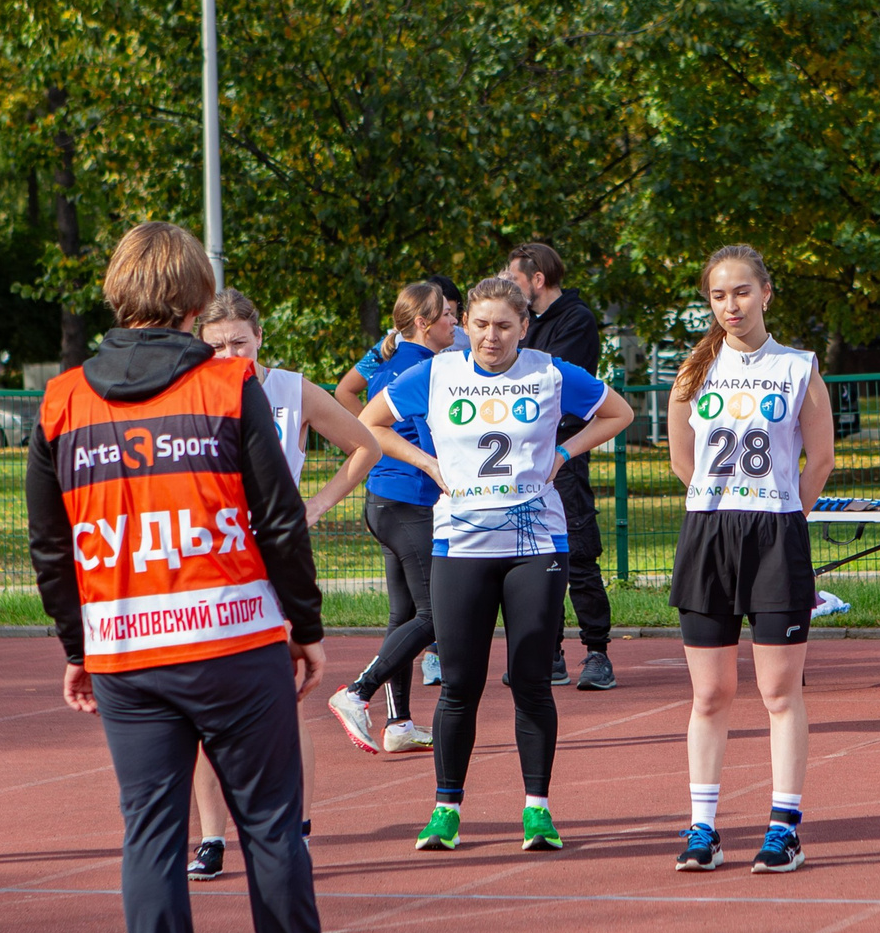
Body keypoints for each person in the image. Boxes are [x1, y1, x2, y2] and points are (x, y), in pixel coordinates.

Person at [27, 221, 360, 933]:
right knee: (271, 823)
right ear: (193, 298)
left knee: (150, 834)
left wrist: (77, 643)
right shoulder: (227, 382)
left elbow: (49, 542)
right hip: (231, 635)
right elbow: (280, 515)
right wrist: (307, 625)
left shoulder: (64, 398)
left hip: (125, 649)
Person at [359, 277, 636, 852]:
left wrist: (564, 451)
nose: (491, 337)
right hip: (460, 543)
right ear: (467, 325)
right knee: (459, 683)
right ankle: (445, 810)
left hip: (535, 543)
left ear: (523, 327)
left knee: (532, 680)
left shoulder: (550, 373)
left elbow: (619, 413)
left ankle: (537, 810)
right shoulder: (437, 373)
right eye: (480, 325)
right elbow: (370, 422)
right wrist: (428, 464)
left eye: (504, 326)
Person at [183, 288, 381, 881]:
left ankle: (296, 827)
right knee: (201, 709)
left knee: (282, 700)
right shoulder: (188, 392)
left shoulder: (291, 391)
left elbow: (364, 446)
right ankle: (213, 838)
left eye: (238, 343)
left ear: (260, 338)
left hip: (271, 561)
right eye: (215, 346)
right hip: (207, 562)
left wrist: (315, 504)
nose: (227, 355)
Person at [664, 245, 836, 873]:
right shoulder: (693, 370)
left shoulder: (798, 367)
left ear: (766, 292)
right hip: (708, 533)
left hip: (775, 535)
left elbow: (819, 460)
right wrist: (715, 501)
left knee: (777, 689)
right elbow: (682, 460)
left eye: (741, 291)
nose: (730, 305)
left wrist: (785, 511)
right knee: (709, 693)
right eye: (717, 295)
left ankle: (784, 826)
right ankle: (702, 827)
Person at [325, 281, 461, 757]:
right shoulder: (430, 369)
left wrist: (363, 434)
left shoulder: (383, 354)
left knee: (405, 615)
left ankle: (399, 722)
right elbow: (438, 437)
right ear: (423, 322)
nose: (456, 323)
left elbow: (346, 390)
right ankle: (358, 692)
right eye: (448, 315)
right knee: (438, 615)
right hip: (409, 500)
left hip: (383, 499)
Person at [499, 241, 616, 690]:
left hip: (562, 450)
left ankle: (597, 651)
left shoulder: (575, 320)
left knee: (578, 548)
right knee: (529, 550)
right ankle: (547, 653)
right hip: (521, 454)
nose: (509, 286)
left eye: (513, 279)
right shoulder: (526, 323)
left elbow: (543, 380)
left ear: (537, 280)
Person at [334, 274, 467, 415]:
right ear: (422, 323)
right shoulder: (395, 353)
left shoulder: (465, 339)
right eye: (447, 314)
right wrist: (369, 430)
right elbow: (344, 390)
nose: (454, 321)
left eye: (454, 314)